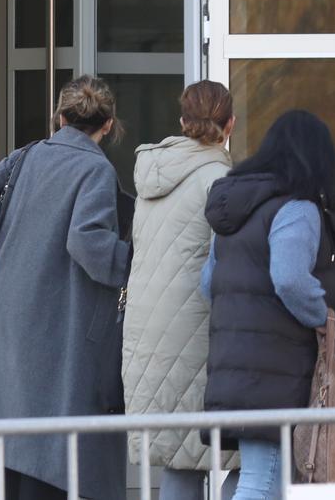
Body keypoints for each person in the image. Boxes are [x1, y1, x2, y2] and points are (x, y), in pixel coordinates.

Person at [0, 75, 132, 500]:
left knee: (17, 446)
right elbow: (87, 243)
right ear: (108, 125)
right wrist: (136, 266)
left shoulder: (27, 156)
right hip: (59, 323)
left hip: (9, 316)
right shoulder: (95, 169)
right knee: (55, 456)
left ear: (61, 116)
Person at [200, 110, 335, 500]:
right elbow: (289, 278)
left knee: (253, 477)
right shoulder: (297, 209)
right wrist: (323, 317)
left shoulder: (236, 212)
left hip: (238, 366)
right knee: (263, 480)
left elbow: (208, 284)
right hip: (276, 372)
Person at [121, 80, 239, 500]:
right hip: (199, 337)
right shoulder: (222, 180)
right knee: (253, 458)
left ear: (182, 121)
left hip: (147, 337)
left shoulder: (152, 176)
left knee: (179, 459)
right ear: (230, 124)